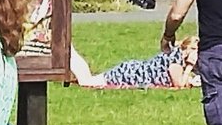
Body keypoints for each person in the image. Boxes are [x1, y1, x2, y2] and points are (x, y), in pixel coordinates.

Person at [68, 37, 199, 89]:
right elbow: (180, 85)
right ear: (187, 50)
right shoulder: (175, 62)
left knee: (89, 79)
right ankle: (68, 51)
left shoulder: (175, 54)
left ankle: (69, 51)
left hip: (132, 69)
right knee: (86, 82)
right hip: (129, 75)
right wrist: (190, 66)